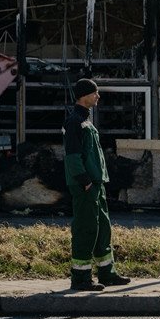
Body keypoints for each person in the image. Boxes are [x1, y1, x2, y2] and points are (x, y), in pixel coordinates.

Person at [63, 78, 130, 291]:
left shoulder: (86, 120)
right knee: (86, 228)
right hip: (85, 185)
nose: (98, 96)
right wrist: (85, 181)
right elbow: (72, 156)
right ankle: (80, 278)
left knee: (103, 229)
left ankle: (107, 273)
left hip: (95, 183)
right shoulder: (74, 121)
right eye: (95, 93)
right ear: (84, 95)